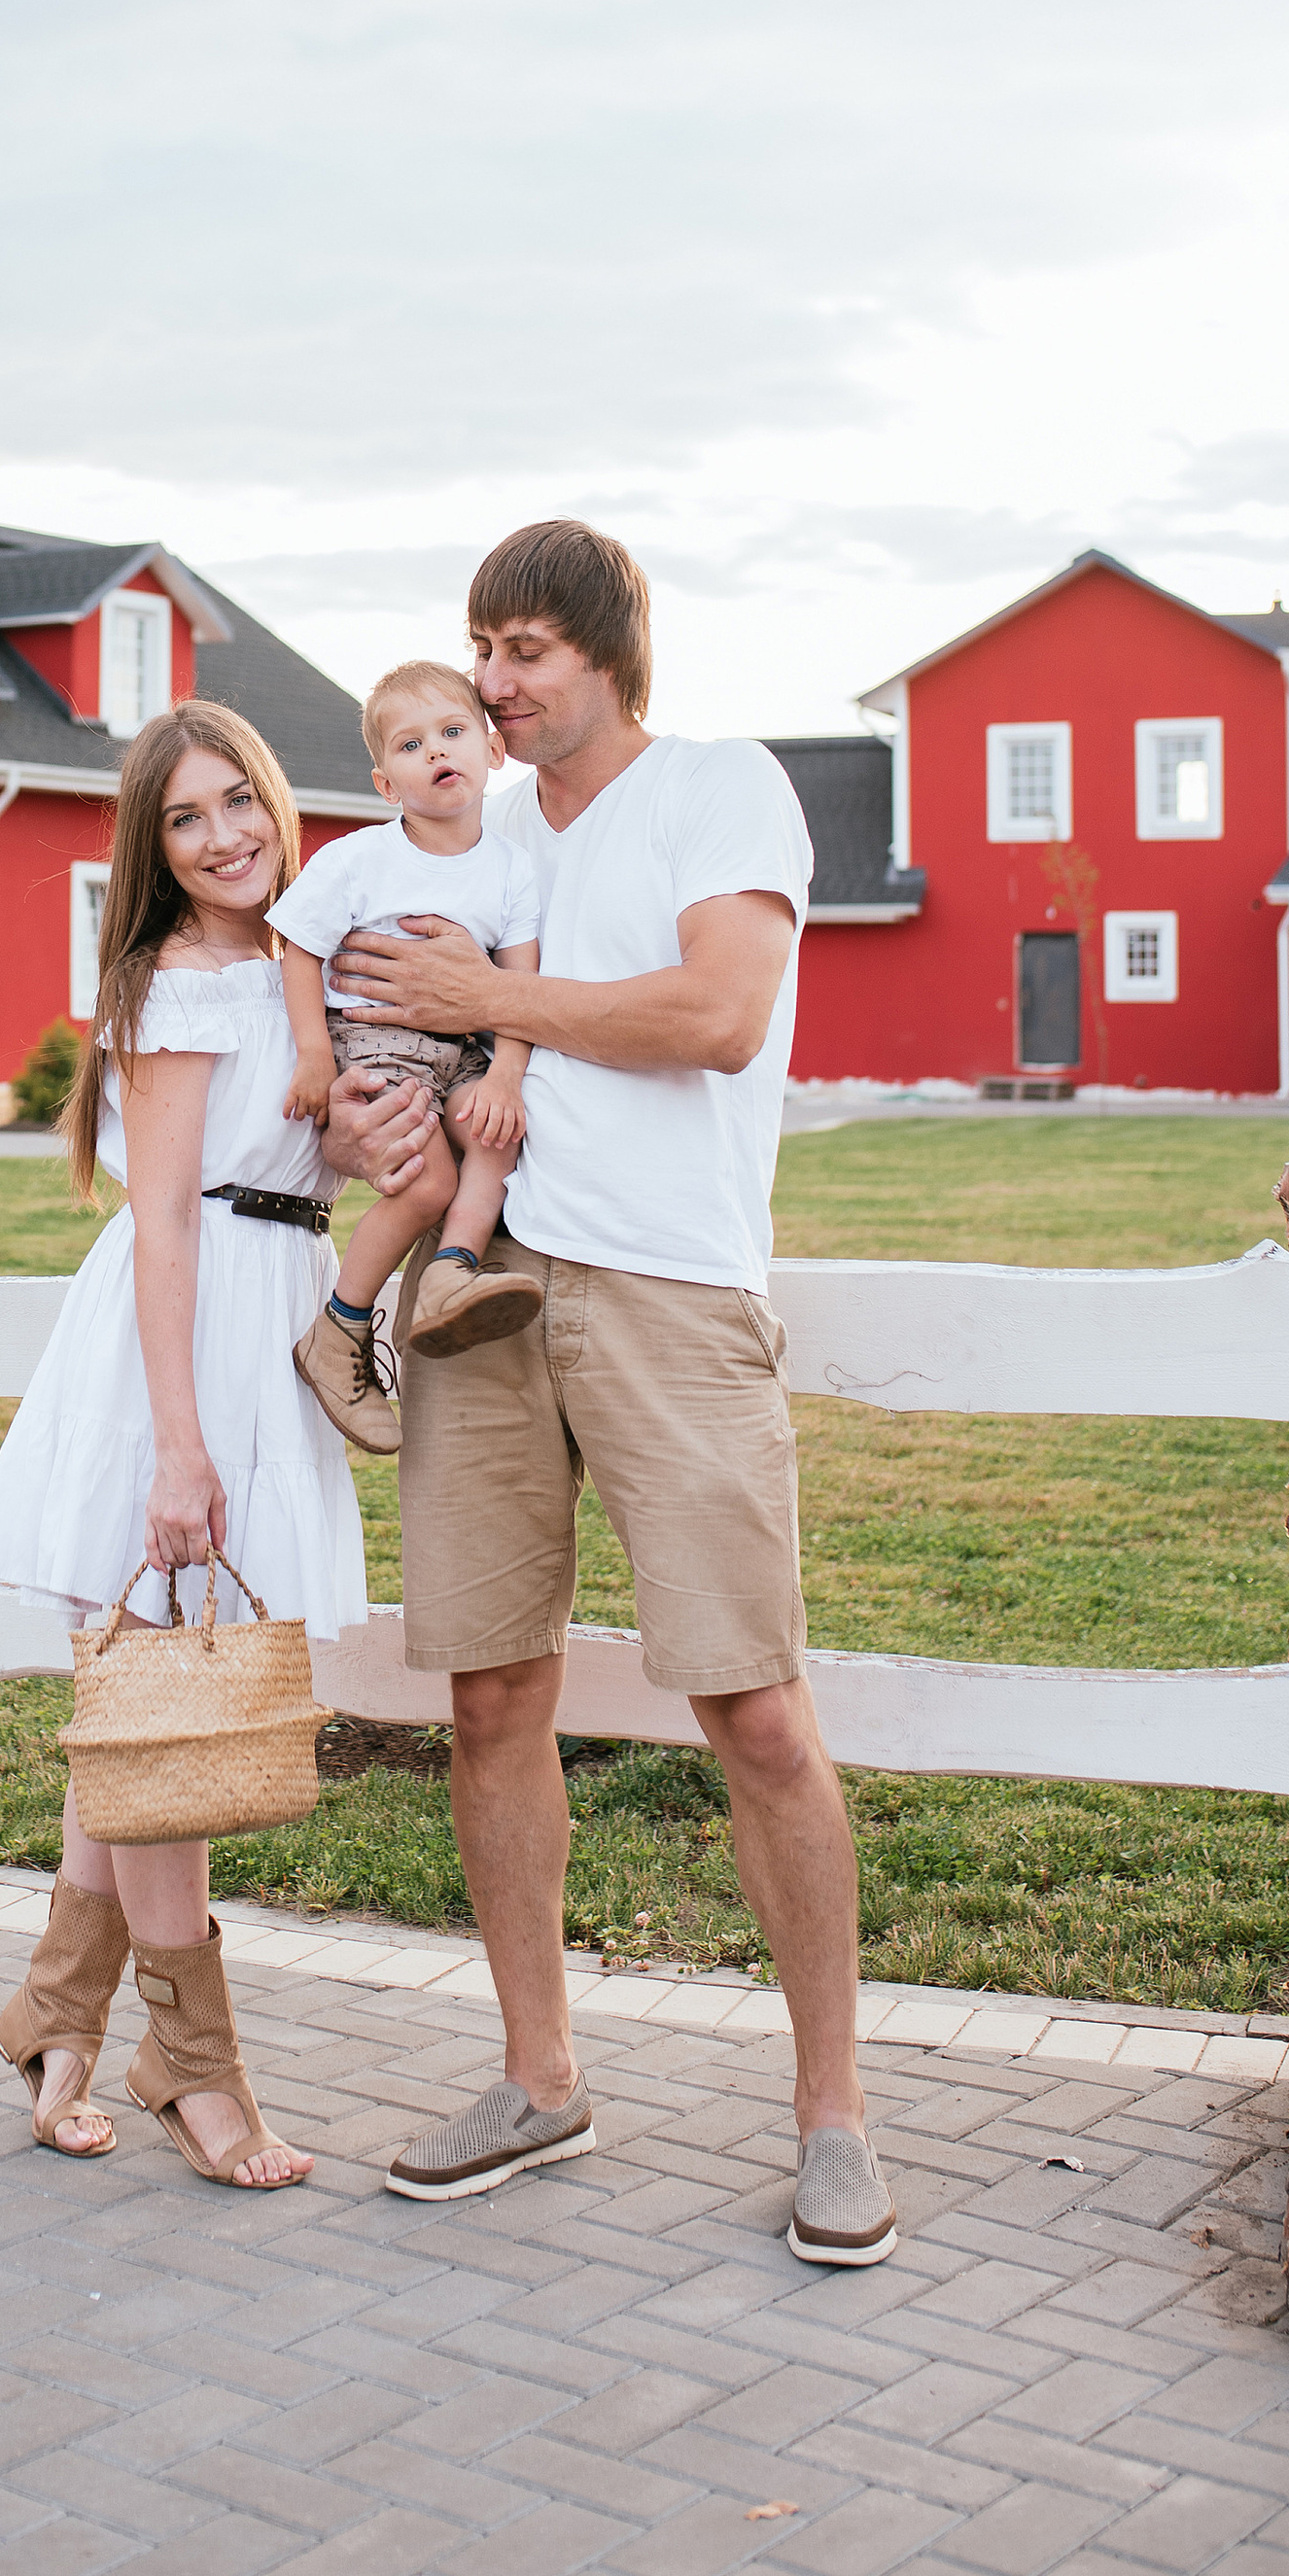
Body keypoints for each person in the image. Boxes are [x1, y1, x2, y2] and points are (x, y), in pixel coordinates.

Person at [328, 520, 894, 2268]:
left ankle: (834, 2119)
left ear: (605, 655)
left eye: (524, 649)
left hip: (673, 1297)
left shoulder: (719, 790)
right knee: (490, 1697)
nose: (490, 682)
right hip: (488, 1289)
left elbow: (719, 1014)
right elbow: (378, 1002)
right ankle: (539, 2080)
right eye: (479, 647)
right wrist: (364, 1099)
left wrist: (494, 996)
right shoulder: (480, 834)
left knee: (758, 1710)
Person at [0, 697, 367, 2189]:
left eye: (238, 801)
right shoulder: (174, 985)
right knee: (165, 1722)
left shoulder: (303, 967)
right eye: (185, 818)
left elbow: (321, 1160)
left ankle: (57, 2024)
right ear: (155, 845)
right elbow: (164, 1228)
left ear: (277, 801)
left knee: (142, 1710)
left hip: (268, 1318)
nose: (223, 836)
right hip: (181, 1349)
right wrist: (179, 1450)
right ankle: (194, 2067)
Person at [268, 661, 544, 1457]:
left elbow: (518, 987)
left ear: (494, 751)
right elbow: (296, 948)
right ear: (387, 784)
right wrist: (314, 1055)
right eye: (412, 744)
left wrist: (506, 1076)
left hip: (465, 1047)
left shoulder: (512, 869)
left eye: (454, 732)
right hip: (377, 1039)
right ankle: (339, 1329)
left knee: (494, 1133)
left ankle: (453, 1271)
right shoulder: (359, 859)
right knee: (428, 1182)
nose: (437, 752)